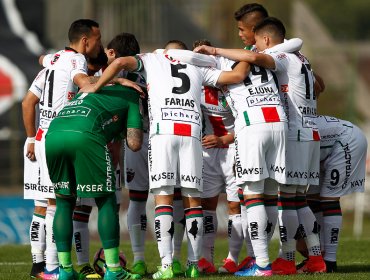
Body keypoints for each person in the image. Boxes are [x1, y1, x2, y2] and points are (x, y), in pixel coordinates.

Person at [80, 49, 248, 279]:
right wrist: (248, 55)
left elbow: (119, 61)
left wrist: (98, 84)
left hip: (163, 133)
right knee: (192, 200)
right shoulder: (196, 65)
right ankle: (192, 265)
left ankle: (167, 265)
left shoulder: (152, 59)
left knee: (163, 198)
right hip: (191, 133)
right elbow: (236, 76)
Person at [195, 17, 326, 275]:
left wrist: (214, 52)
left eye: (250, 37)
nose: (250, 45)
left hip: (286, 132)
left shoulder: (275, 59)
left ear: (265, 38)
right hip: (299, 129)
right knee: (294, 200)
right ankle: (311, 258)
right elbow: (320, 85)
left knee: (275, 199)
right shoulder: (299, 55)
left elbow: (247, 65)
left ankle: (270, 262)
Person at [24, 18, 104, 279]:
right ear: (85, 41)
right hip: (58, 135)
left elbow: (28, 103)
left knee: (42, 204)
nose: (98, 44)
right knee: (55, 204)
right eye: (97, 39)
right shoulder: (77, 60)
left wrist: (30, 139)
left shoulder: (53, 61)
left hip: (39, 136)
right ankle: (52, 268)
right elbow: (83, 82)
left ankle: (38, 266)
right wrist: (116, 82)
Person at [45, 84, 143, 280]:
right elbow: (134, 144)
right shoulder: (132, 96)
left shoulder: (90, 86)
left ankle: (64, 270)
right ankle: (114, 270)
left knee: (64, 202)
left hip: (53, 134)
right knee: (106, 200)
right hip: (85, 135)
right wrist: (132, 124)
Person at [190, 39, 242, 275]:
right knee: (207, 206)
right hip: (208, 152)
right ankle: (205, 259)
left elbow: (246, 121)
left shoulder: (232, 83)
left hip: (234, 148)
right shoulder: (193, 84)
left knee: (235, 205)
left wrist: (224, 139)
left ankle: (232, 259)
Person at [304, 115, 367, 272]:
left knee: (328, 199)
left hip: (346, 141)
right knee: (311, 199)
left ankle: (329, 261)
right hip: (322, 147)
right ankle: (319, 256)